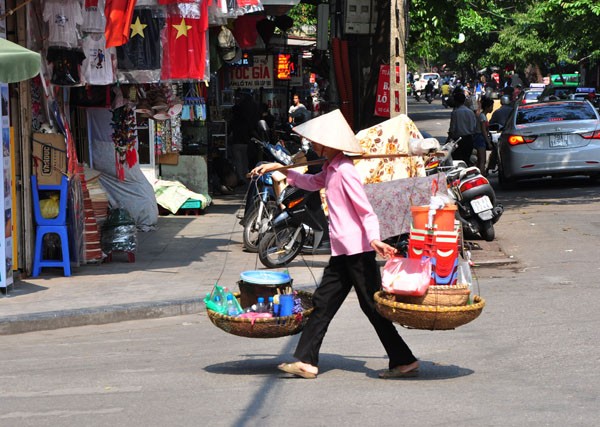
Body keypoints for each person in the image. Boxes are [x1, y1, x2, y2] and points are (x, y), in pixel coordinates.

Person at [250, 110, 419, 380]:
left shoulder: (345, 172)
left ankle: (404, 359)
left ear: (328, 144)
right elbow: (312, 182)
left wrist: (374, 239)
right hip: (343, 252)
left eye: (317, 142)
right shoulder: (331, 169)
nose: (313, 146)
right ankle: (306, 360)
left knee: (372, 306)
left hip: (357, 251)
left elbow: (366, 211)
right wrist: (280, 170)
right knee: (323, 304)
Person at [448, 92, 478, 164]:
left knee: (457, 160)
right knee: (466, 159)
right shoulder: (470, 112)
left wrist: (450, 138)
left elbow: (452, 128)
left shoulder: (455, 112)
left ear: (455, 101)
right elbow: (474, 126)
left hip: (458, 140)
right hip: (469, 139)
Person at [474, 97, 494, 175]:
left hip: (479, 137)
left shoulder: (482, 116)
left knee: (480, 160)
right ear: (487, 107)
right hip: (480, 138)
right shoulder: (482, 117)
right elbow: (483, 131)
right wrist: (488, 142)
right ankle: (482, 174)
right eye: (491, 106)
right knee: (482, 160)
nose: (492, 108)